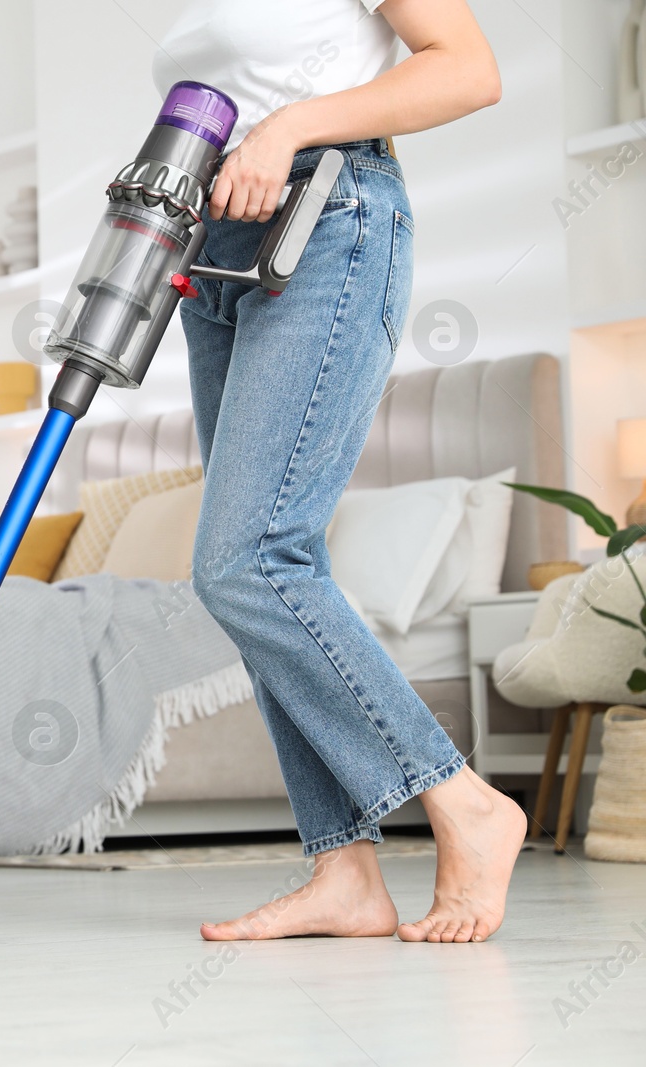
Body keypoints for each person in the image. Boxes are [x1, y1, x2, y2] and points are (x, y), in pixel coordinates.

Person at [153, 0, 523, 943]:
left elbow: (467, 66)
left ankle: (466, 800)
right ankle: (344, 869)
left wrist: (288, 126)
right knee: (268, 569)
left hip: (330, 217)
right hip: (218, 246)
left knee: (248, 560)